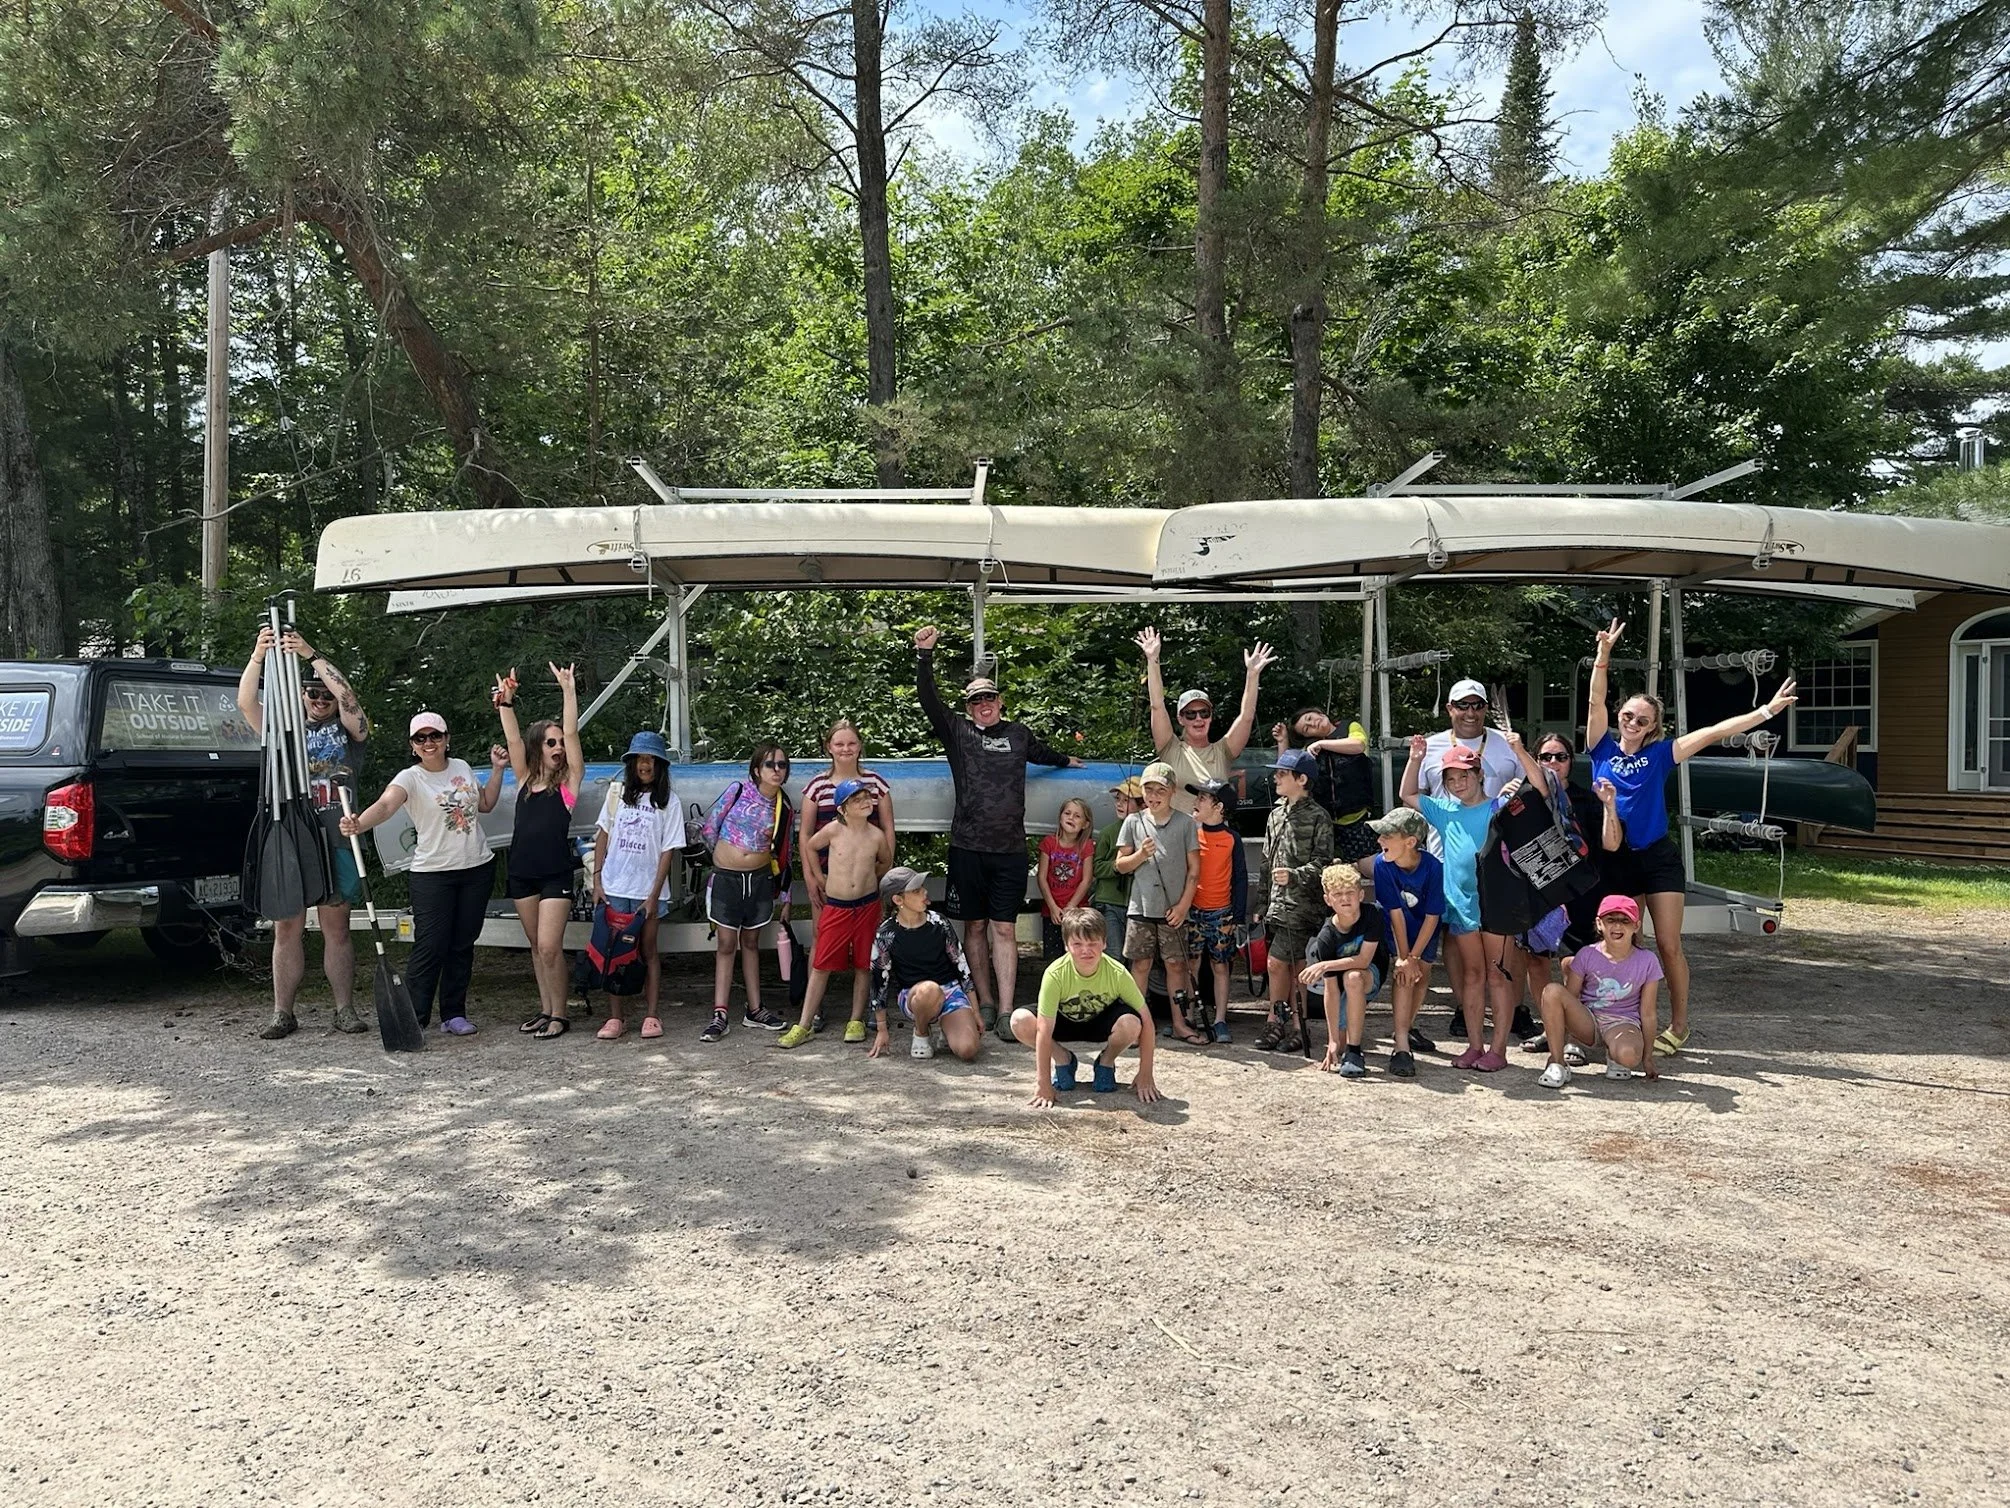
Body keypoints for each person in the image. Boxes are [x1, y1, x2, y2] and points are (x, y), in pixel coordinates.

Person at [1586, 618, 1797, 1056]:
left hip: (1658, 858)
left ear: (1652, 726)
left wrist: (1765, 712)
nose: (1631, 721)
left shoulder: (1663, 753)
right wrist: (1603, 655)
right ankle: (1626, 1018)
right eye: (1627, 715)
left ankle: (1679, 1025)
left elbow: (1715, 732)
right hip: (1616, 858)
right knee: (1629, 941)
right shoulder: (1600, 748)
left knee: (1667, 943)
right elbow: (1596, 698)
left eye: (1641, 719)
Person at [913, 625, 1082, 1033]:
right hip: (968, 847)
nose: (983, 704)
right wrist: (924, 656)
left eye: (989, 697)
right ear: (969, 708)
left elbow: (1045, 753)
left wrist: (1068, 761)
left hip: (1009, 849)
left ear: (999, 702)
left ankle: (1006, 1011)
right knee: (973, 926)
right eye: (976, 700)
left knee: (1004, 928)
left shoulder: (1019, 734)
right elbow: (929, 700)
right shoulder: (958, 731)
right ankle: (984, 1002)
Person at [234, 625, 370, 1040]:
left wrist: (310, 653)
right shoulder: (282, 729)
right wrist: (259, 655)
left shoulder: (351, 732)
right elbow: (244, 703)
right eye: (313, 693)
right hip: (291, 836)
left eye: (325, 694)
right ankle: (282, 1012)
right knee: (287, 927)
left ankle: (344, 1010)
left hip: (336, 834)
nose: (321, 699)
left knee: (337, 928)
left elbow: (348, 697)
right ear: (300, 696)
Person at [340, 711, 503, 1035]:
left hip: (476, 867)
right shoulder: (409, 778)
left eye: (435, 736)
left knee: (462, 943)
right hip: (432, 873)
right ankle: (413, 1016)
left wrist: (498, 770)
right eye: (421, 738)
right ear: (413, 745)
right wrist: (359, 823)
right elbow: (386, 805)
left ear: (446, 739)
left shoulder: (462, 768)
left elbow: (485, 804)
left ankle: (453, 1014)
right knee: (431, 944)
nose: (429, 743)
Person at [1403, 736, 1531, 1072]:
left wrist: (1518, 773)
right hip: (1460, 906)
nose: (1458, 783)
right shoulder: (1444, 811)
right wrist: (1416, 759)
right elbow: (1408, 794)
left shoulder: (1498, 807)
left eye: (1464, 775)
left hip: (1496, 905)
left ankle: (1498, 1049)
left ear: (1479, 775)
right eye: (1451, 779)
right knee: (1473, 976)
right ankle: (1475, 1046)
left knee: (1497, 976)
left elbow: (1537, 801)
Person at [492, 665, 584, 1041]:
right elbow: (513, 739)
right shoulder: (526, 779)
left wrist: (568, 690)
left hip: (554, 874)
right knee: (535, 947)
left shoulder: (569, 784)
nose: (559, 747)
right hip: (522, 872)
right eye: (551, 742)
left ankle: (561, 1014)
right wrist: (506, 700)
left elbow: (574, 732)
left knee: (549, 946)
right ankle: (546, 1009)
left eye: (560, 742)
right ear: (537, 748)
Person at [780, 780, 892, 1049]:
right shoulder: (832, 830)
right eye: (857, 800)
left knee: (864, 963)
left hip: (867, 906)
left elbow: (885, 860)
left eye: (867, 797)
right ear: (842, 809)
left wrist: (871, 880)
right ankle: (805, 1023)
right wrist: (819, 878)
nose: (866, 802)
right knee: (821, 964)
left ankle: (856, 1019)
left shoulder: (876, 835)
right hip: (837, 907)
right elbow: (808, 846)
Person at [587, 731, 685, 1040]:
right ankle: (616, 1017)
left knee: (648, 950)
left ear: (660, 766)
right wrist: (597, 879)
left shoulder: (670, 802)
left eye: (651, 760)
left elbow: (668, 850)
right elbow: (603, 835)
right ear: (632, 763)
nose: (645, 765)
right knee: (613, 952)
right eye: (640, 759)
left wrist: (654, 895)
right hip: (615, 886)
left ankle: (651, 1015)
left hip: (647, 890)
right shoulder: (617, 795)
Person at [698, 742, 797, 1042]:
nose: (776, 770)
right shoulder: (738, 790)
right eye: (770, 764)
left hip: (758, 880)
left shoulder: (785, 807)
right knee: (726, 943)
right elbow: (710, 826)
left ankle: (755, 1009)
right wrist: (721, 858)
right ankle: (720, 1012)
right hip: (727, 879)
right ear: (757, 770)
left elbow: (785, 853)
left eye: (782, 765)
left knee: (751, 942)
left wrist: (786, 898)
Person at [1015, 907, 1161, 1107]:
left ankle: (1106, 1061)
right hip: (1063, 1022)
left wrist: (1145, 1074)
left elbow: (1147, 1021)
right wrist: (1043, 1083)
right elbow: (1043, 1028)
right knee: (1019, 1020)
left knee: (1133, 1022)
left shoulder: (1117, 973)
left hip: (1100, 1022)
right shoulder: (1055, 974)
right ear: (1066, 945)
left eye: (1093, 943)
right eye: (1078, 943)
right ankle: (1063, 1058)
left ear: (1104, 943)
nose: (1086, 950)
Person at [1135, 626, 1277, 814]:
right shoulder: (1170, 747)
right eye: (1190, 714)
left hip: (1213, 836)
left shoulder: (1222, 752)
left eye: (1204, 712)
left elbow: (1246, 716)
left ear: (1211, 716)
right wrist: (1153, 660)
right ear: (1180, 719)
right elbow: (1157, 705)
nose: (1198, 719)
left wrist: (1252, 675)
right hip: (1177, 837)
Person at [1534, 894, 1663, 1088]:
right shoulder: (1587, 954)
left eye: (1624, 921)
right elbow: (1570, 998)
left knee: (1628, 1057)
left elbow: (1648, 1013)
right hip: (1589, 1020)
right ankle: (1557, 1062)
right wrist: (1569, 1032)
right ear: (1599, 924)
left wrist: (1648, 1058)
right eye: (1610, 920)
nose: (1617, 927)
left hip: (1623, 1021)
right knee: (1552, 992)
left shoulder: (1648, 960)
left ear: (1636, 926)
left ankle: (1614, 1055)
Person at [1252, 748, 1333, 1053]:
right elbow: (1265, 862)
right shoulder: (1276, 815)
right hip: (1276, 905)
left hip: (1302, 905)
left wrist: (1296, 875)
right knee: (1292, 965)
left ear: (1301, 779)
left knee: (1278, 962)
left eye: (1282, 774)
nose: (1276, 778)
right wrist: (1261, 903)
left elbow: (1324, 862)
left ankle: (1279, 1021)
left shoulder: (1318, 817)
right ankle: (1293, 1026)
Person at [1116, 761, 1202, 1043]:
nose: (1154, 796)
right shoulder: (1132, 822)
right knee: (1139, 965)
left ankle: (1179, 1023)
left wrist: (1183, 906)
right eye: (1148, 790)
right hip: (1140, 908)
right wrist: (1140, 855)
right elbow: (1121, 865)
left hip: (1174, 911)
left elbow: (1194, 870)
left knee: (1176, 965)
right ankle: (1137, 1026)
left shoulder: (1186, 823)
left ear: (1172, 792)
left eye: (1160, 791)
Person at [867, 866, 983, 1063]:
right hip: (915, 995)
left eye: (922, 887)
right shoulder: (886, 934)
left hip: (950, 992)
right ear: (898, 900)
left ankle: (948, 1029)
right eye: (916, 890)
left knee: (968, 1050)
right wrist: (881, 1029)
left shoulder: (940, 923)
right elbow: (879, 983)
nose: (924, 892)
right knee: (929, 990)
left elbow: (961, 967)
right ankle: (921, 1032)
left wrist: (976, 1012)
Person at [1368, 805, 1443, 1079]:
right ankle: (1400, 1045)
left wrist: (1415, 958)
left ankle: (1407, 1027)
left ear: (1410, 842)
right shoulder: (1382, 864)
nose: (1380, 841)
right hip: (1398, 930)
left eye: (1387, 836)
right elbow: (1395, 914)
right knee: (1404, 977)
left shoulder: (1434, 867)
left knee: (1422, 976)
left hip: (1425, 930)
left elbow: (1433, 916)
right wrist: (1404, 957)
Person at [799, 718, 896, 917]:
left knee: (870, 937)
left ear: (859, 746)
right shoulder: (816, 786)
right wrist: (811, 877)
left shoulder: (876, 783)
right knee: (823, 936)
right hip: (827, 878)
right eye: (839, 744)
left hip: (867, 878)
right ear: (829, 747)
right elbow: (806, 834)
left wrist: (883, 871)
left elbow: (888, 829)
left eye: (851, 743)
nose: (846, 749)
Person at [1299, 863, 1383, 1077]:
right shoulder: (1326, 937)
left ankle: (1355, 1052)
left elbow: (1363, 960)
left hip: (1369, 976)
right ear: (1328, 900)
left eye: (1350, 893)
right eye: (1338, 894)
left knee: (1353, 976)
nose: (1345, 899)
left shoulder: (1372, 913)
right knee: (1340, 1044)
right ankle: (1346, 1047)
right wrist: (1332, 1039)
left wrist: (1325, 964)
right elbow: (1331, 990)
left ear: (1361, 895)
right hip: (1342, 986)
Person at [1184, 777, 1247, 1044]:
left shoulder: (1232, 839)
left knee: (1221, 966)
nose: (1197, 801)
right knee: (1191, 965)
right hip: (1192, 911)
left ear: (1219, 807)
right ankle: (1188, 1016)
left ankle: (1221, 1018)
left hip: (1222, 913)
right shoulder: (1190, 833)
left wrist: (1238, 916)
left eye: (1203, 798)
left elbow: (1240, 877)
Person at [1274, 707, 1379, 864]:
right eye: (1306, 729)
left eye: (1309, 718)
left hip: (1356, 818)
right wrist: (1283, 741)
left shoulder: (1350, 727)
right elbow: (1288, 773)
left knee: (1368, 867)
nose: (1312, 724)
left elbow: (1358, 745)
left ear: (1319, 713)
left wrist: (1322, 743)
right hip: (1323, 821)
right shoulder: (1308, 750)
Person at [1418, 679, 1525, 798]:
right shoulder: (1428, 747)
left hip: (1499, 816)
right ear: (1450, 709)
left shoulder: (1509, 743)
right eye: (1462, 705)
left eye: (1477, 705)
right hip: (1445, 817)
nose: (1470, 713)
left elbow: (1532, 788)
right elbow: (1413, 797)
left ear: (1485, 708)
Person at [1037, 798, 1097, 962]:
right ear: (1060, 816)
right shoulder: (1049, 843)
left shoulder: (1087, 846)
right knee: (1053, 958)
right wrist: (1052, 906)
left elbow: (1087, 879)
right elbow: (1042, 877)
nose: (1071, 818)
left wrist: (1071, 906)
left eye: (1077, 816)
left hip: (1078, 913)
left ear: (1085, 824)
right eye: (1067, 813)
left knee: (1077, 955)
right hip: (1052, 912)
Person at [1092, 777, 1143, 951]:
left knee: (1136, 957)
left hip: (1138, 905)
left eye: (1126, 800)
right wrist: (1118, 866)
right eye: (1118, 800)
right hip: (1109, 903)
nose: (1119, 804)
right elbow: (1096, 868)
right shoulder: (1107, 833)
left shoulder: (1149, 832)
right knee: (1114, 954)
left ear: (1142, 805)